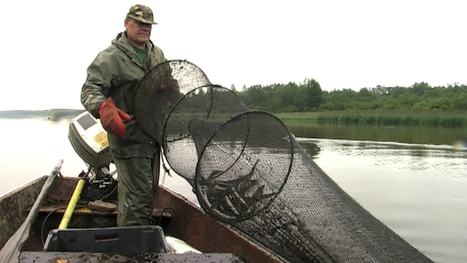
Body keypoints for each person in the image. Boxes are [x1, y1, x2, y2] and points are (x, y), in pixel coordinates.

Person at [81, 4, 166, 226]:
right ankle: (131, 250)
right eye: (139, 23)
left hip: (152, 139)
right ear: (126, 23)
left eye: (148, 25)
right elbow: (90, 89)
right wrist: (102, 108)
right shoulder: (110, 57)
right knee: (137, 201)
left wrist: (172, 92)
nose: (144, 28)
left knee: (147, 192)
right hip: (127, 138)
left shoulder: (157, 54)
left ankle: (134, 239)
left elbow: (168, 81)